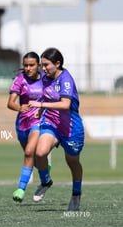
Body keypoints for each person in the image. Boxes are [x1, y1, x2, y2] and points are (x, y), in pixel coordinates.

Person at [29, 47, 84, 211]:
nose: (43, 68)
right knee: (39, 153)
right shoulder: (46, 78)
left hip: (71, 127)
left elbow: (65, 104)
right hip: (52, 121)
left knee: (72, 162)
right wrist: (40, 110)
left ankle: (76, 194)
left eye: (46, 65)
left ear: (57, 63)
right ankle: (46, 181)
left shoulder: (66, 80)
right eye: (42, 65)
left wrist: (40, 105)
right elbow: (46, 96)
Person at [7, 51, 44, 202]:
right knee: (32, 158)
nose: (28, 68)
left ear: (38, 66)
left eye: (32, 65)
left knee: (29, 152)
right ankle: (45, 174)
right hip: (22, 123)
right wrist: (19, 108)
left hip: (38, 121)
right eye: (26, 65)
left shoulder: (45, 80)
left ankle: (21, 188)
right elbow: (10, 103)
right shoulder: (20, 80)